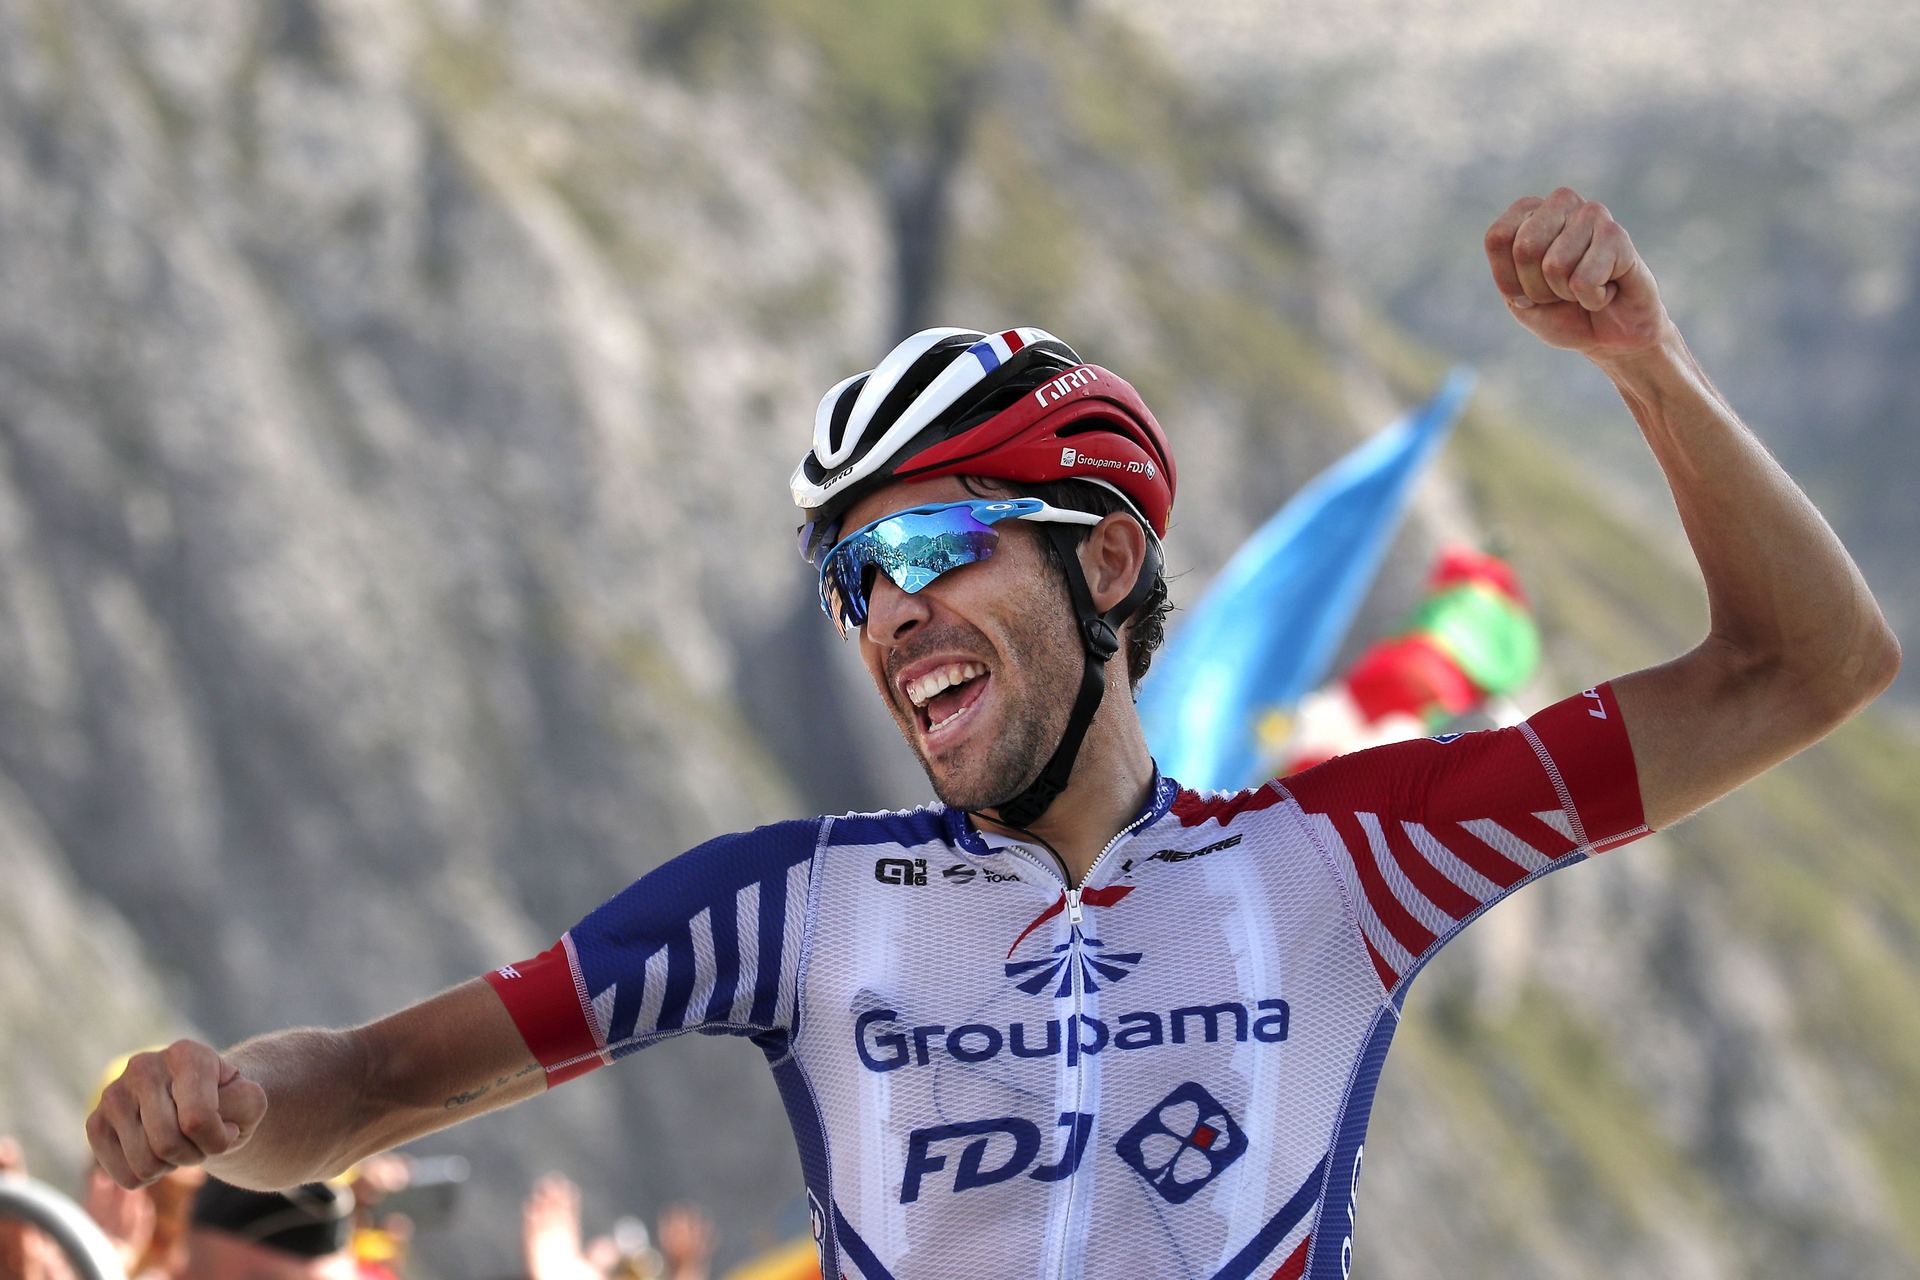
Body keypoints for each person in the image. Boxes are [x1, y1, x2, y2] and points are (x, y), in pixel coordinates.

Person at [86, 190, 1900, 1278]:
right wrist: (229, 1106)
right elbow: (373, 1087)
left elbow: (1802, 669)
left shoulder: (1349, 859)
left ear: (1104, 560)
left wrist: (1643, 361)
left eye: (932, 547)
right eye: (852, 577)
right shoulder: (787, 910)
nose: (886, 615)